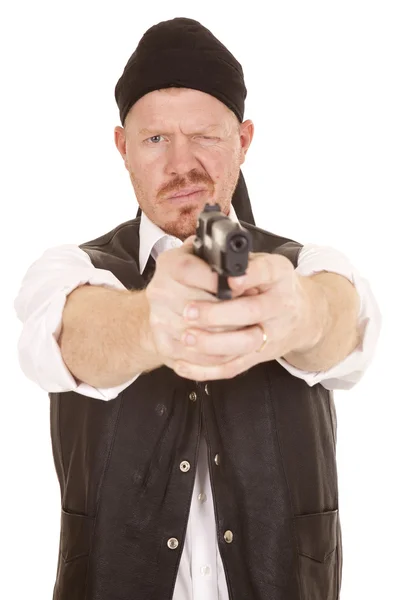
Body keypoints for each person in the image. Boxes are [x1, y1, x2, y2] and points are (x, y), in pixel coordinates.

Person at [14, 17, 381, 600]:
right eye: (156, 138)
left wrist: (300, 314)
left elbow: (342, 319)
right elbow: (66, 335)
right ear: (123, 148)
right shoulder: (70, 270)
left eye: (205, 136)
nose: (182, 163)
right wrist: (148, 322)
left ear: (244, 139)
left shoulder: (305, 263)